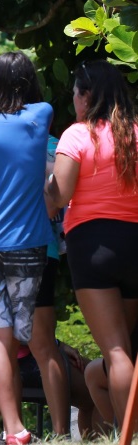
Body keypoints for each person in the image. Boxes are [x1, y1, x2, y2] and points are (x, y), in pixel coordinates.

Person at [0, 76, 75, 438]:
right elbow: (56, 202)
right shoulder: (48, 142)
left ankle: (5, 431)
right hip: (37, 247)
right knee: (41, 346)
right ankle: (51, 434)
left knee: (6, 341)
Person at [45, 60, 138, 426]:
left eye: (74, 94)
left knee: (115, 351)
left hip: (93, 245)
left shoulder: (77, 135)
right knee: (126, 348)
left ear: (86, 95)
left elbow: (58, 196)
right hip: (134, 243)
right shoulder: (135, 132)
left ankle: (128, 441)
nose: (73, 101)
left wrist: (41, 179)